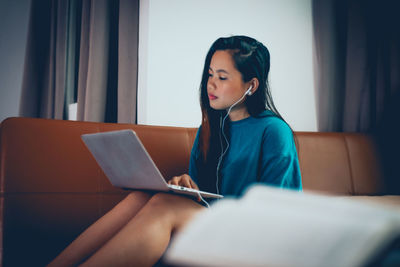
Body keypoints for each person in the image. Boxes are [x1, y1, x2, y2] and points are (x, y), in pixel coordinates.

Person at [48, 35, 302, 267]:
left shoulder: (274, 131)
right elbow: (201, 197)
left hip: (253, 242)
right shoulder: (210, 129)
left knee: (165, 207)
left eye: (222, 78)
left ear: (251, 86)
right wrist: (186, 186)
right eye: (210, 74)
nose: (210, 84)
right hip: (213, 227)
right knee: (143, 197)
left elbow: (276, 216)